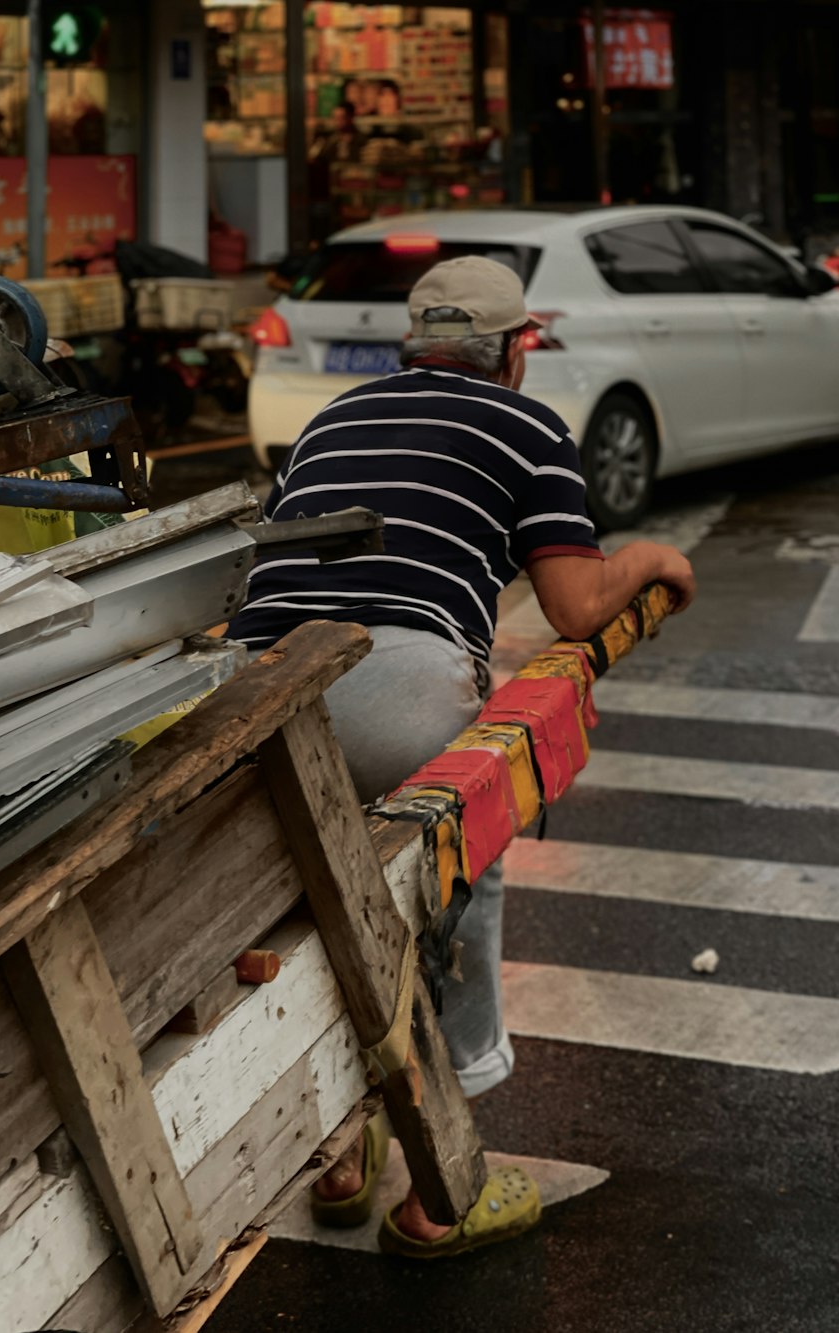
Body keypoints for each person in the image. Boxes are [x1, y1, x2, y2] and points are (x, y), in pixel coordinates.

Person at [226, 255, 696, 1256]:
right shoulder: (525, 425)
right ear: (515, 351)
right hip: (388, 682)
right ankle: (442, 1188)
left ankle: (342, 1155)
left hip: (252, 689)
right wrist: (652, 559)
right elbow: (574, 605)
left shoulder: (333, 416)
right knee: (447, 895)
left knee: (315, 909)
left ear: (414, 344)